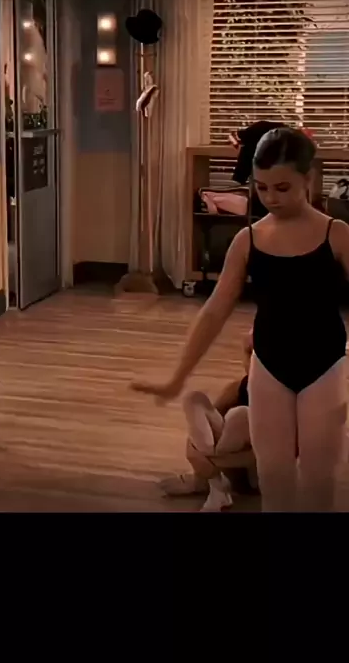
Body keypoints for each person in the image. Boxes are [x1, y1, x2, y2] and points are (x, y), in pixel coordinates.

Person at [132, 127, 349, 512]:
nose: (271, 198)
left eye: (282, 188)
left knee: (319, 478)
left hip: (325, 367)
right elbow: (214, 311)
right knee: (275, 476)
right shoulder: (248, 240)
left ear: (308, 178)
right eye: (261, 188)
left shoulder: (337, 235)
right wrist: (176, 378)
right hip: (269, 367)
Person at [160, 331, 257, 512]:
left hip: (258, 471)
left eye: (257, 355)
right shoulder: (239, 388)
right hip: (229, 461)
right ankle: (215, 487)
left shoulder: (286, 394)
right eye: (248, 353)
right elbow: (204, 428)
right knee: (194, 400)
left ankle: (215, 483)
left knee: (239, 416)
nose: (252, 362)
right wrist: (196, 455)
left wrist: (207, 460)